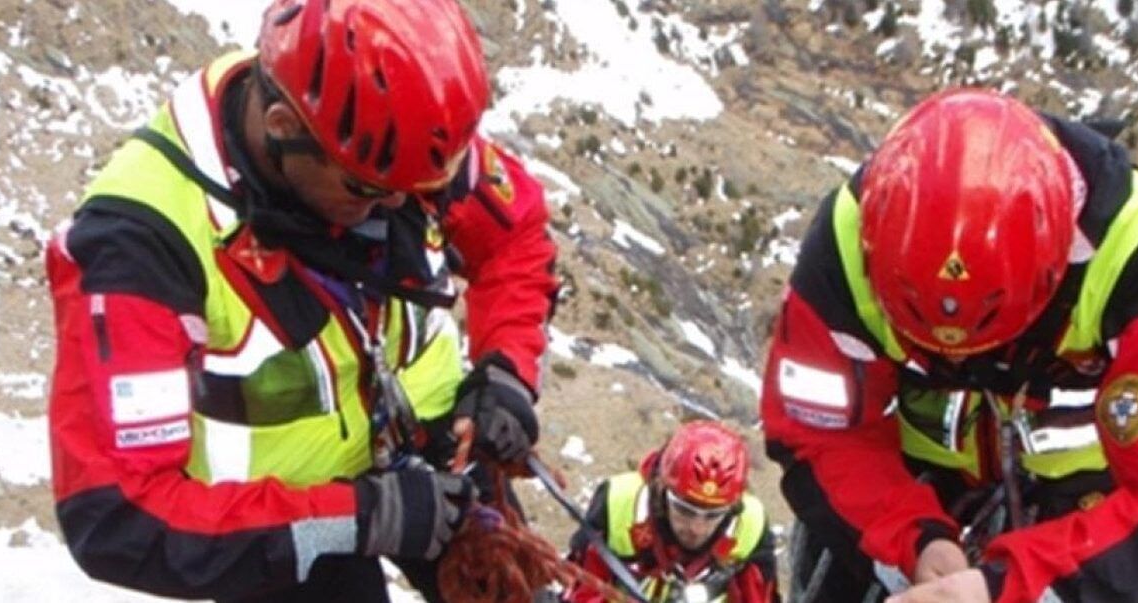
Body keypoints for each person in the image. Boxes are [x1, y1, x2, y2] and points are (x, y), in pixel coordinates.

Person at [42, 0, 558, 600]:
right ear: (284, 126)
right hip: (276, 520)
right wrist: (357, 517)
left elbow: (514, 234)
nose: (397, 209)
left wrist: (506, 372)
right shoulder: (142, 244)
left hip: (437, 440)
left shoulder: (392, 132)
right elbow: (119, 515)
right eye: (366, 190)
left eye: (416, 192)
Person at [759, 88, 1138, 602]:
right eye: (928, 339)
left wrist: (1009, 589)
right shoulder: (844, 248)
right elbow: (816, 433)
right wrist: (915, 540)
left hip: (1087, 520)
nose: (956, 355)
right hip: (906, 488)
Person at [563, 421, 779, 603]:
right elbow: (582, 589)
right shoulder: (618, 503)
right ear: (661, 488)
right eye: (684, 510)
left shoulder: (751, 526)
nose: (696, 528)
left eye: (713, 515)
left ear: (734, 507)